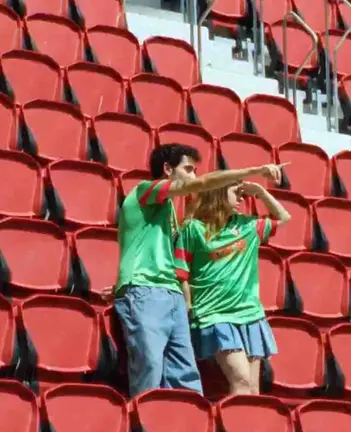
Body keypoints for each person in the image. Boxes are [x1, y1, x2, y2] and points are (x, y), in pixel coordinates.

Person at [113, 143, 285, 398]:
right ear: (167, 169)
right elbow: (199, 187)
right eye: (189, 169)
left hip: (171, 294)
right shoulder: (144, 191)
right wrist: (255, 170)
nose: (194, 176)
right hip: (146, 290)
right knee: (149, 368)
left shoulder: (171, 211)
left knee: (186, 379)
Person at [174, 181, 290, 395]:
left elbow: (284, 218)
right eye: (236, 193)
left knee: (253, 390)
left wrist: (262, 193)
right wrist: (188, 305)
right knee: (242, 382)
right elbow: (181, 271)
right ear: (218, 192)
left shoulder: (248, 226)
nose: (242, 198)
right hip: (214, 315)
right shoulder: (193, 228)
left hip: (250, 315)